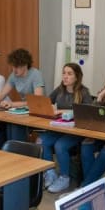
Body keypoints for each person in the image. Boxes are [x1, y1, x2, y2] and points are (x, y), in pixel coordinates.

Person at [40, 63, 93, 193]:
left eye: (69, 74)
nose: (65, 76)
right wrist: (50, 108)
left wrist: (61, 110)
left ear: (77, 77)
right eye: (64, 73)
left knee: (60, 146)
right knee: (41, 141)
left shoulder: (83, 92)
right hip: (60, 127)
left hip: (76, 131)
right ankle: (50, 172)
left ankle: (64, 177)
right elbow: (46, 102)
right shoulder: (59, 89)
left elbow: (88, 112)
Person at [0, 48, 45, 140]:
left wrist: (12, 104)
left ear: (25, 65)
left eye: (16, 67)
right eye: (13, 66)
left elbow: (37, 102)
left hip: (37, 111)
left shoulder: (35, 74)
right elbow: (2, 94)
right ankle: (9, 150)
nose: (14, 70)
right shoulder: (13, 75)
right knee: (8, 123)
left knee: (15, 125)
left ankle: (17, 151)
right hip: (24, 110)